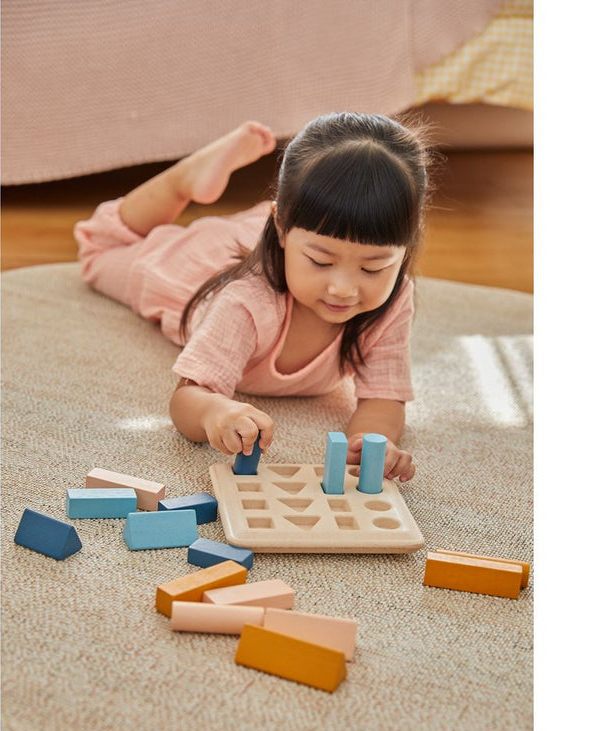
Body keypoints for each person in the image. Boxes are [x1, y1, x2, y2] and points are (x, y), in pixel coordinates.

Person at [74, 112, 431, 483]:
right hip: (196, 265)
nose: (344, 288)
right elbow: (187, 399)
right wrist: (216, 413)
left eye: (373, 268)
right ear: (280, 229)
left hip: (279, 237)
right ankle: (185, 180)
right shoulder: (244, 302)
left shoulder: (394, 296)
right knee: (98, 247)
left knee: (324, 243)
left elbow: (384, 398)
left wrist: (374, 444)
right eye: (321, 261)